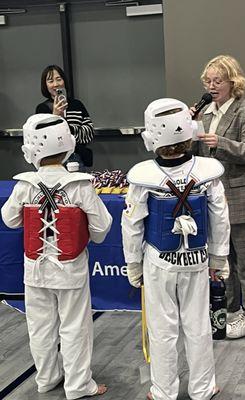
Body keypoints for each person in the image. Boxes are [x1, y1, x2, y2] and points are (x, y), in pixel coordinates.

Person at [121, 98, 230, 400]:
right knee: (198, 327)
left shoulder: (143, 178)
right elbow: (219, 216)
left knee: (162, 329)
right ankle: (203, 388)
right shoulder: (207, 174)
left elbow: (131, 223)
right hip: (196, 261)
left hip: (159, 263)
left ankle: (164, 391)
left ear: (151, 136)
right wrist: (219, 258)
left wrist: (132, 264)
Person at [1, 114, 112, 399]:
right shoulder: (79, 184)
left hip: (34, 269)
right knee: (75, 328)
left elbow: (10, 220)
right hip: (70, 269)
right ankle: (77, 385)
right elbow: (102, 227)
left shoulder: (25, 184)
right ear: (67, 146)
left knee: (40, 327)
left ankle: (47, 378)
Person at [191, 55, 245, 339]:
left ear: (232, 82)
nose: (211, 86)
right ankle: (232, 310)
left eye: (217, 81)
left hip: (242, 194)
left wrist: (220, 142)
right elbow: (198, 155)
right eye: (207, 81)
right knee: (224, 258)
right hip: (215, 196)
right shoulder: (206, 113)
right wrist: (190, 127)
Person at [36, 65, 94, 170]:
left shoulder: (77, 104)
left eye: (59, 79)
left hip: (77, 159)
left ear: (64, 81)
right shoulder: (42, 109)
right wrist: (55, 116)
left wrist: (68, 128)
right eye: (50, 81)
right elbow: (42, 140)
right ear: (45, 85)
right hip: (52, 162)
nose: (55, 84)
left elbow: (89, 133)